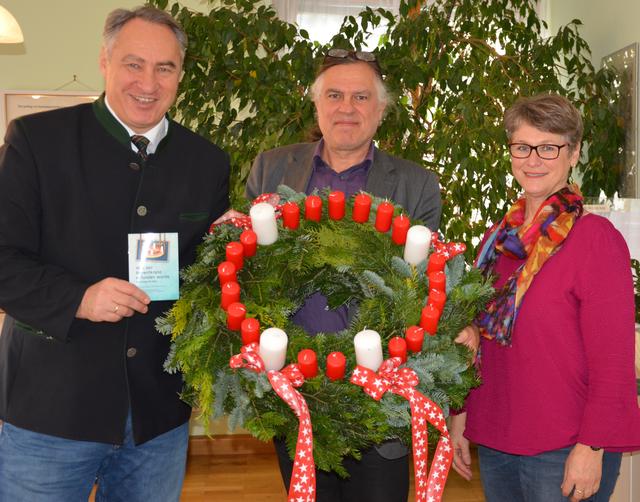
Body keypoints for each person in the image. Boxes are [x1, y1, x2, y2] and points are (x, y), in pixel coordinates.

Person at [0, 6, 230, 501]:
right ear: (104, 62)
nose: (148, 82)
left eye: (164, 67)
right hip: (50, 413)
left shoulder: (207, 162)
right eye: (133, 63)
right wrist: (78, 298)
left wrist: (236, 251)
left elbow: (203, 281)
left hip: (158, 418)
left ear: (180, 74)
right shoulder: (38, 142)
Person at [246, 48, 443, 502]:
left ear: (381, 111)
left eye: (361, 97)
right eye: (334, 95)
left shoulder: (416, 184)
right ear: (316, 105)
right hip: (295, 390)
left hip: (378, 400)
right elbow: (253, 269)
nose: (347, 108)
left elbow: (426, 285)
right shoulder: (271, 168)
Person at [449, 93, 640, 502]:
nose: (533, 159)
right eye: (522, 147)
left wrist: (591, 447)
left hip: (566, 444)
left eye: (548, 147)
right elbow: (474, 338)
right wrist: (461, 415)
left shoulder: (596, 241)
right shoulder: (496, 242)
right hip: (499, 437)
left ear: (573, 154)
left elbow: (614, 360)